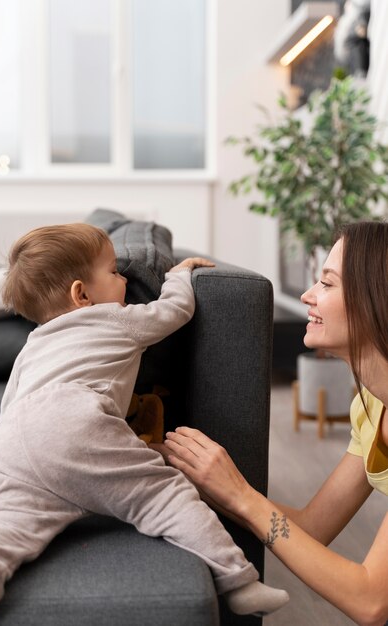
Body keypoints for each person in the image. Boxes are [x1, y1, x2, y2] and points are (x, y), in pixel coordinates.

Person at [0, 223, 289, 624]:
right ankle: (238, 581)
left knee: (3, 524)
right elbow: (175, 311)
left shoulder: (33, 344)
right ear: (81, 294)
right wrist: (177, 276)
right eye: (115, 272)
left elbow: (11, 402)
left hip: (10, 442)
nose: (124, 278)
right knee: (162, 494)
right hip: (74, 421)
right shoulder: (117, 319)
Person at [164, 221, 388, 626]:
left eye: (327, 283)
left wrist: (243, 497)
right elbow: (313, 527)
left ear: (377, 299)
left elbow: (370, 601)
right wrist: (207, 482)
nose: (308, 295)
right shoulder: (371, 405)